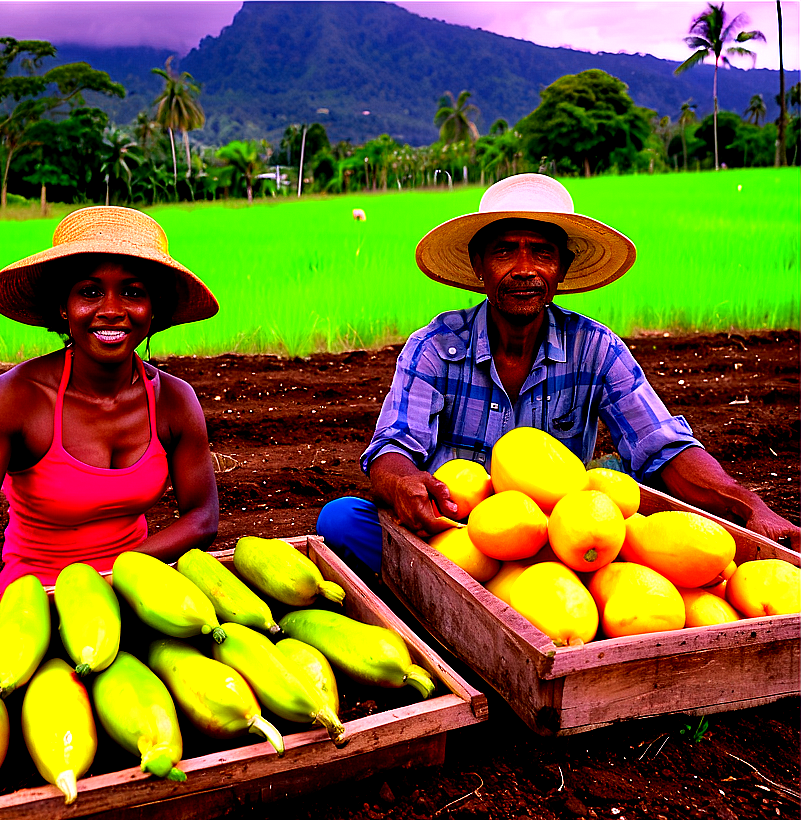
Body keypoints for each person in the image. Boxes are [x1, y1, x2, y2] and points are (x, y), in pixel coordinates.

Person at [317, 174, 800, 573]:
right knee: (341, 521)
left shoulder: (596, 348)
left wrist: (745, 504)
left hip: (558, 545)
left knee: (624, 505)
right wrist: (403, 482)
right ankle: (429, 597)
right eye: (505, 251)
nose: (524, 268)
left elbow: (663, 447)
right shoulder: (435, 347)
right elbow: (393, 448)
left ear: (562, 269)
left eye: (542, 253)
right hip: (450, 533)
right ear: (479, 265)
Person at [0, 206, 221, 604]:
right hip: (35, 606)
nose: (111, 309)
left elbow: (202, 518)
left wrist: (113, 576)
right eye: (90, 291)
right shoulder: (15, 399)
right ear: (63, 305)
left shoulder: (174, 400)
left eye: (133, 291)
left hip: (133, 592)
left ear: (153, 308)